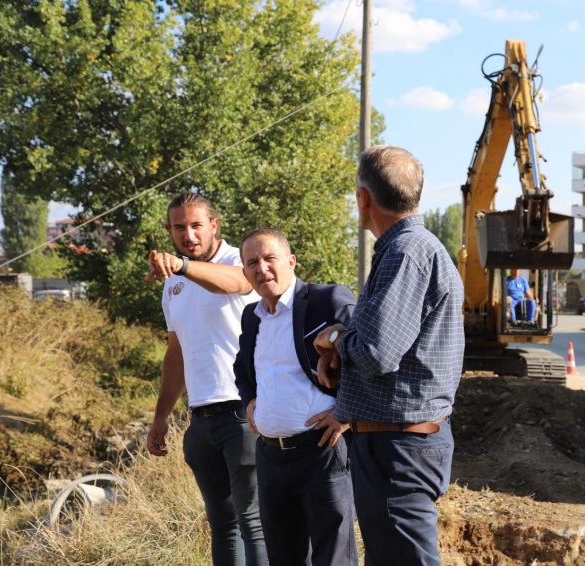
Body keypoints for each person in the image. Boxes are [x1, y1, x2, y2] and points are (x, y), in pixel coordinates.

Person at [314, 145, 464, 566]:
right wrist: (345, 342)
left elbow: (378, 353)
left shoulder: (406, 253)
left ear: (363, 197)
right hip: (398, 441)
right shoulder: (408, 249)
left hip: (399, 445)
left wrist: (335, 341)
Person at [145, 192, 267, 566]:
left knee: (253, 522)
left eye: (197, 225)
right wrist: (161, 417)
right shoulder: (172, 285)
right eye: (179, 227)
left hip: (243, 413)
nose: (189, 235)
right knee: (222, 526)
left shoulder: (238, 261)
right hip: (201, 419)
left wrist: (183, 266)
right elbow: (176, 354)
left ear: (214, 225)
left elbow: (237, 283)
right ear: (169, 231)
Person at [232, 228, 357, 566]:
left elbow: (368, 354)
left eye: (269, 258)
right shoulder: (252, 317)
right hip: (271, 459)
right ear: (244, 272)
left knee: (333, 559)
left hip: (323, 453)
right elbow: (242, 368)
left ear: (291, 261)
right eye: (252, 263)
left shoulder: (326, 300)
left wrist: (346, 412)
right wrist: (250, 400)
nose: (262, 268)